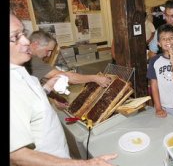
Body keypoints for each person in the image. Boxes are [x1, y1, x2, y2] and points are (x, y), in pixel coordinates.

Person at [10, 12, 117, 166]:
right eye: (16, 36)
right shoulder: (25, 69)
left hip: (55, 152)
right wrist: (84, 164)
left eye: (24, 34)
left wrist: (48, 89)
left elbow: (30, 98)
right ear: (35, 46)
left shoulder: (19, 68)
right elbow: (17, 154)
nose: (26, 40)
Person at [147, 24, 173, 117]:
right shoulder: (154, 61)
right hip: (160, 105)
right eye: (163, 38)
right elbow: (154, 85)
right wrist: (158, 107)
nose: (167, 40)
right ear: (158, 43)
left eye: (171, 37)